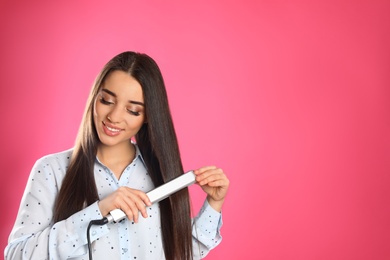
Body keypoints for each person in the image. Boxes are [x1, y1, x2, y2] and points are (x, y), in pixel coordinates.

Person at [4, 51, 229, 260]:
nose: (114, 116)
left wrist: (214, 204)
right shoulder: (51, 170)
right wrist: (98, 211)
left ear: (148, 116)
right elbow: (16, 255)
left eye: (133, 110)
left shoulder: (162, 175)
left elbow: (180, 252)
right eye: (107, 101)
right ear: (94, 97)